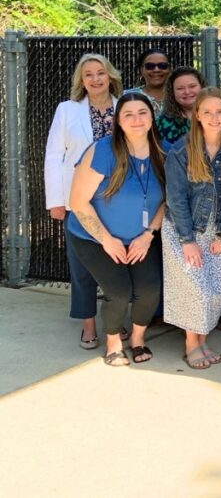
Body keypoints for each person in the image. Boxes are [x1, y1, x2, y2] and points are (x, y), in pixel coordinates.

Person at [66, 93, 166, 366]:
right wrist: (106, 239)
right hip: (93, 237)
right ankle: (113, 341)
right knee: (119, 291)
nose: (136, 120)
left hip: (140, 238)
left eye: (142, 113)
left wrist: (149, 235)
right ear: (118, 121)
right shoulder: (102, 151)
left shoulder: (163, 151)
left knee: (148, 290)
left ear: (151, 117)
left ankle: (137, 339)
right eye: (128, 114)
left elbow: (168, 199)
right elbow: (77, 202)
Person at [45, 54, 123, 349]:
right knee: (81, 264)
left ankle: (115, 321)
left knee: (117, 261)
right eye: (88, 74)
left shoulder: (124, 105)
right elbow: (54, 155)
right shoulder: (67, 110)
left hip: (116, 197)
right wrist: (56, 200)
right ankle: (88, 323)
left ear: (110, 76)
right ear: (81, 80)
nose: (95, 79)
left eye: (100, 73)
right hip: (78, 199)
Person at [162, 88, 221, 369]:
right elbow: (176, 199)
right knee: (194, 288)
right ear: (197, 116)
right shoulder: (181, 151)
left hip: (215, 231)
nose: (214, 117)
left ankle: (202, 341)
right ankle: (191, 345)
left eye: (219, 112)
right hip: (185, 231)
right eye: (207, 112)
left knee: (214, 289)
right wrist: (187, 240)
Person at [156, 67, 206, 145]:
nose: (187, 92)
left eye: (192, 86)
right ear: (172, 92)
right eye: (180, 88)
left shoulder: (217, 117)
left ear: (202, 87)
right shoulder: (160, 124)